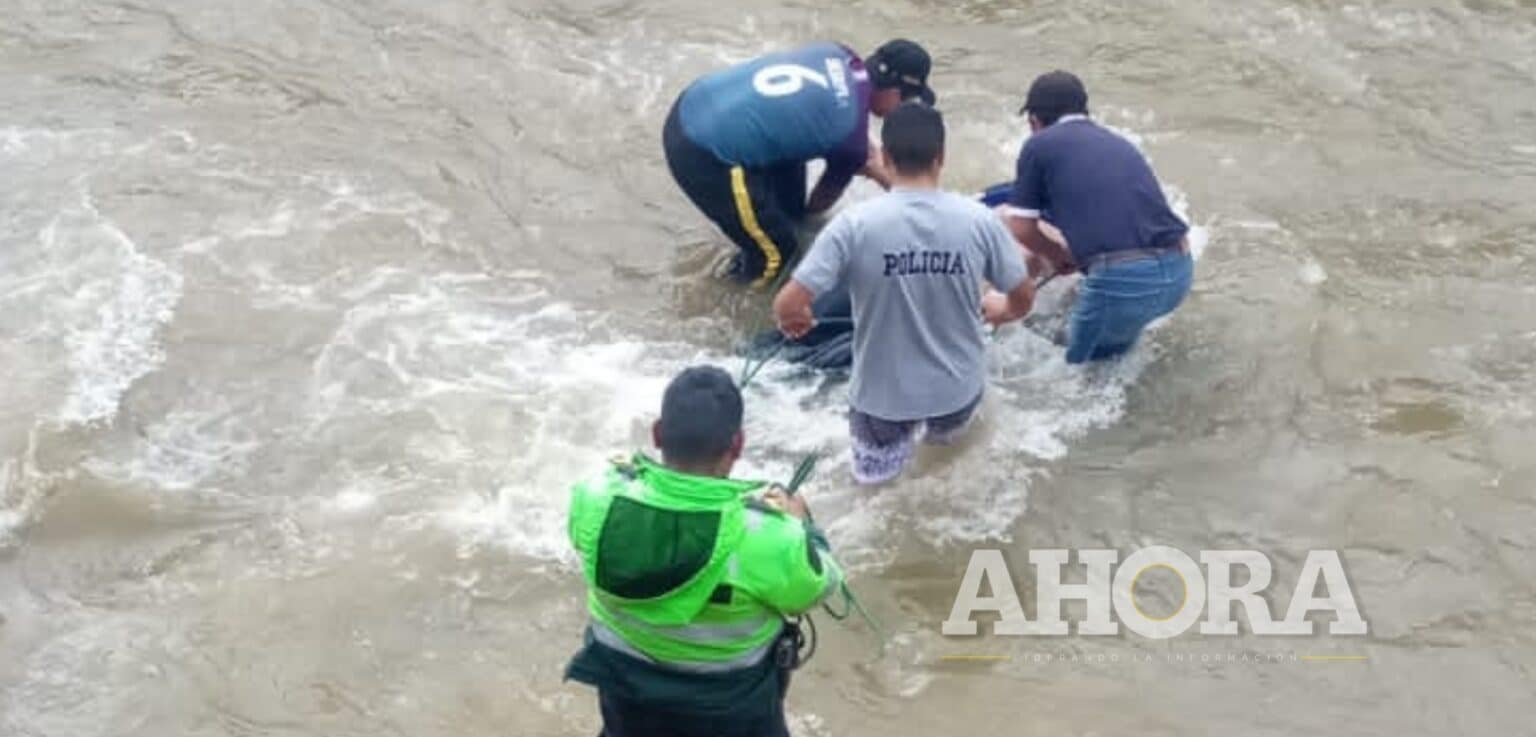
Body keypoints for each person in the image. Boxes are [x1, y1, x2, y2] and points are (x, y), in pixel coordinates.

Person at [564, 366, 844, 737]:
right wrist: (804, 525)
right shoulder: (769, 536)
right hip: (736, 720)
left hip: (628, 717)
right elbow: (820, 585)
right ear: (738, 445)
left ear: (658, 434)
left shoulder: (595, 499)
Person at [772, 103, 1036, 485]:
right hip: (956, 393)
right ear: (941, 157)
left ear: (887, 158)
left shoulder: (854, 225)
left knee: (876, 490)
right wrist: (1003, 309)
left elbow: (788, 303)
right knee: (943, 475)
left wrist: (796, 320)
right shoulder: (980, 221)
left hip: (882, 399)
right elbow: (1023, 295)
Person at [664, 39, 938, 287]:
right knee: (780, 254)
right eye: (908, 100)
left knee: (789, 213)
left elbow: (818, 115)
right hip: (704, 154)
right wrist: (874, 170)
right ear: (893, 92)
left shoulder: (838, 53)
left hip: (695, 103)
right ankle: (727, 306)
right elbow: (819, 204)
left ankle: (753, 240)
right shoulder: (850, 142)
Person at [1000, 70, 1193, 363]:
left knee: (1076, 371)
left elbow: (1022, 228)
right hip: (1179, 271)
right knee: (1117, 355)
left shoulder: (1038, 145)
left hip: (1123, 281)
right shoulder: (1118, 142)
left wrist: (1061, 254)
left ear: (1033, 121)